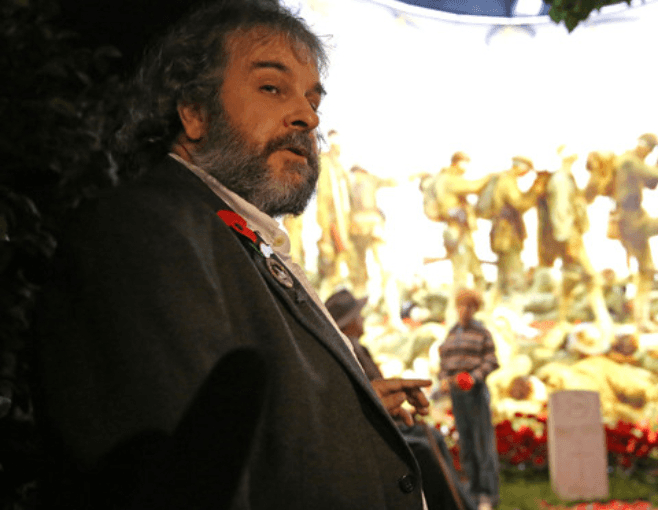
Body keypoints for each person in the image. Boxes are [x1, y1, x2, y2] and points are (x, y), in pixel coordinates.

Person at [33, 1, 432, 508]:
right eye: (272, 87)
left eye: (314, 99)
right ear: (194, 112)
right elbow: (186, 472)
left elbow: (243, 422)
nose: (307, 116)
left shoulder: (229, 230)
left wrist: (352, 412)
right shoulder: (151, 229)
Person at [325, 288, 476, 510]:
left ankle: (460, 503)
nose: (363, 318)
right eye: (358, 314)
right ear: (348, 323)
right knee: (425, 447)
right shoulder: (346, 352)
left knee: (432, 437)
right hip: (373, 429)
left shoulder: (358, 347)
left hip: (386, 421)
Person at [613, 133, 658, 331]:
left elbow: (652, 184)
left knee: (646, 269)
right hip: (633, 221)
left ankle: (641, 318)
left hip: (632, 219)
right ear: (645, 147)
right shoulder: (629, 161)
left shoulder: (630, 162)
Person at [540, 146, 614, 339]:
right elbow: (560, 211)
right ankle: (602, 318)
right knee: (590, 277)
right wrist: (567, 240)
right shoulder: (561, 180)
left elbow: (580, 202)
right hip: (569, 236)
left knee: (572, 278)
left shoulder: (567, 178)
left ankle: (563, 319)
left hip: (571, 235)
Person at [438, 289, 500, 510]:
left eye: (469, 306)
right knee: (465, 442)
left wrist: (473, 377)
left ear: (475, 309)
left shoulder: (482, 333)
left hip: (475, 391)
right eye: (461, 305)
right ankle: (472, 491)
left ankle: (488, 494)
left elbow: (492, 360)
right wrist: (445, 379)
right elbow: (443, 363)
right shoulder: (451, 334)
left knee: (482, 441)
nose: (464, 310)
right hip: (457, 393)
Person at [489, 156, 549, 300]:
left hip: (506, 233)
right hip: (506, 234)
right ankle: (514, 307)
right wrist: (535, 190)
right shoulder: (507, 181)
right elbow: (519, 204)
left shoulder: (506, 180)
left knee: (505, 275)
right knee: (513, 274)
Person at [434, 151, 490, 293]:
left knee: (478, 273)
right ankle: (456, 311)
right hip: (457, 232)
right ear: (456, 162)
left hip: (463, 234)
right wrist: (490, 177)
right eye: (464, 162)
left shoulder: (449, 178)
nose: (466, 166)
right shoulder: (449, 178)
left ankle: (478, 306)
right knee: (461, 276)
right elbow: (473, 187)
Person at [348, 164, 397, 297]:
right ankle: (392, 313)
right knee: (384, 269)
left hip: (356, 227)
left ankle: (359, 303)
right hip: (372, 224)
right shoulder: (369, 179)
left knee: (360, 274)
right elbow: (393, 181)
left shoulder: (348, 180)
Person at [316, 129, 352, 296]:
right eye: (335, 143)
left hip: (342, 223)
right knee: (329, 266)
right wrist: (326, 230)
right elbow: (324, 197)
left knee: (341, 266)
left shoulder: (340, 167)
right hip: (330, 223)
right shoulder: (324, 161)